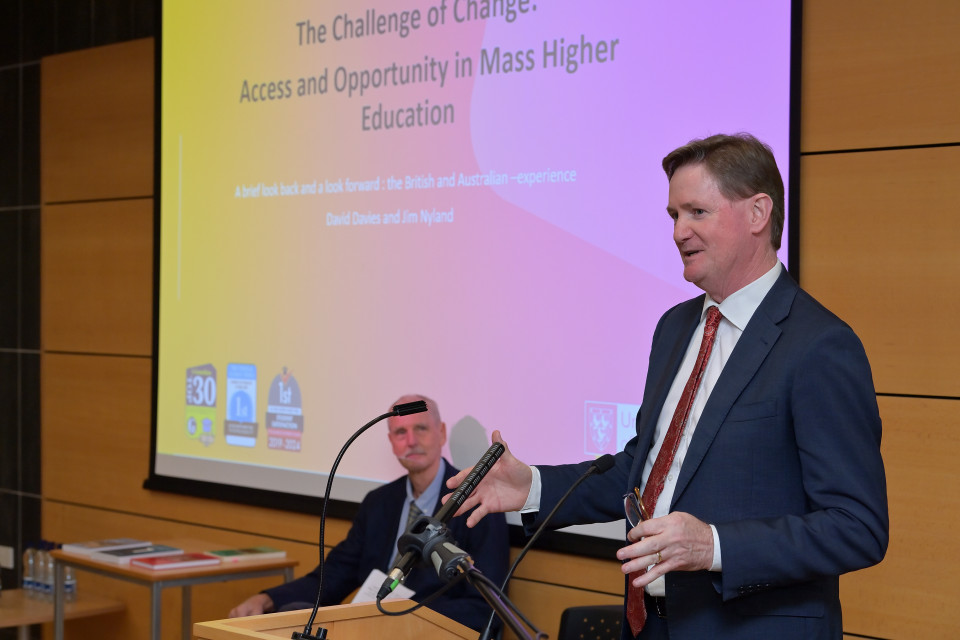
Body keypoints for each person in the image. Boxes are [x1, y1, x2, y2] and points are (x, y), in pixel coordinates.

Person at [446, 133, 889, 639]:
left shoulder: (819, 345)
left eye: (697, 212)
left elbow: (857, 527)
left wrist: (714, 546)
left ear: (757, 213)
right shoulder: (675, 327)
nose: (679, 232)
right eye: (674, 215)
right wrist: (534, 488)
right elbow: (643, 473)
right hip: (652, 626)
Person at [230, 394, 509, 632]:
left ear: (442, 433)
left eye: (421, 428)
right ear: (391, 441)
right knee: (293, 612)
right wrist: (267, 599)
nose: (411, 440)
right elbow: (335, 574)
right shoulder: (379, 502)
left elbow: (485, 605)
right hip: (367, 626)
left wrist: (404, 617)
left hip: (423, 631)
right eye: (401, 432)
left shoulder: (476, 502)